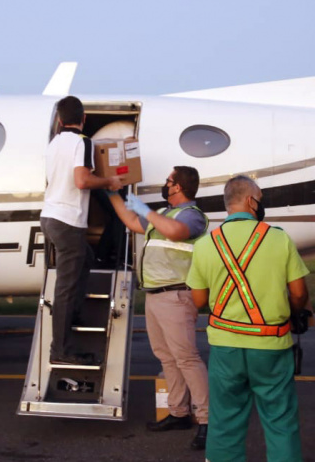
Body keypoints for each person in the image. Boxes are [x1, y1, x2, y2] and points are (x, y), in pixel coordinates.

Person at [187, 175, 309, 462]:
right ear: (250, 201)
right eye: (260, 198)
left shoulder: (206, 244)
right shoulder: (279, 238)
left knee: (225, 423)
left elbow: (199, 300)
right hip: (271, 346)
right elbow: (300, 293)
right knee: (280, 421)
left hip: (225, 348)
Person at [108, 166, 210, 450]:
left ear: (178, 187)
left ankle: (207, 419)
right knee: (166, 357)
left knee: (186, 358)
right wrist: (112, 194)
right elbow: (131, 220)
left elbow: (177, 233)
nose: (165, 185)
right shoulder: (163, 216)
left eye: (168, 181)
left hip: (176, 296)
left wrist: (147, 210)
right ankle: (178, 412)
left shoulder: (191, 215)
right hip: (155, 296)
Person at [40, 96, 122, 366]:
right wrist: (109, 180)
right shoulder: (82, 142)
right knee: (65, 286)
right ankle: (60, 349)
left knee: (85, 259)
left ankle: (72, 313)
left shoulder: (53, 144)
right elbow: (82, 180)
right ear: (83, 119)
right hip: (67, 221)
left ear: (60, 121)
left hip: (49, 217)